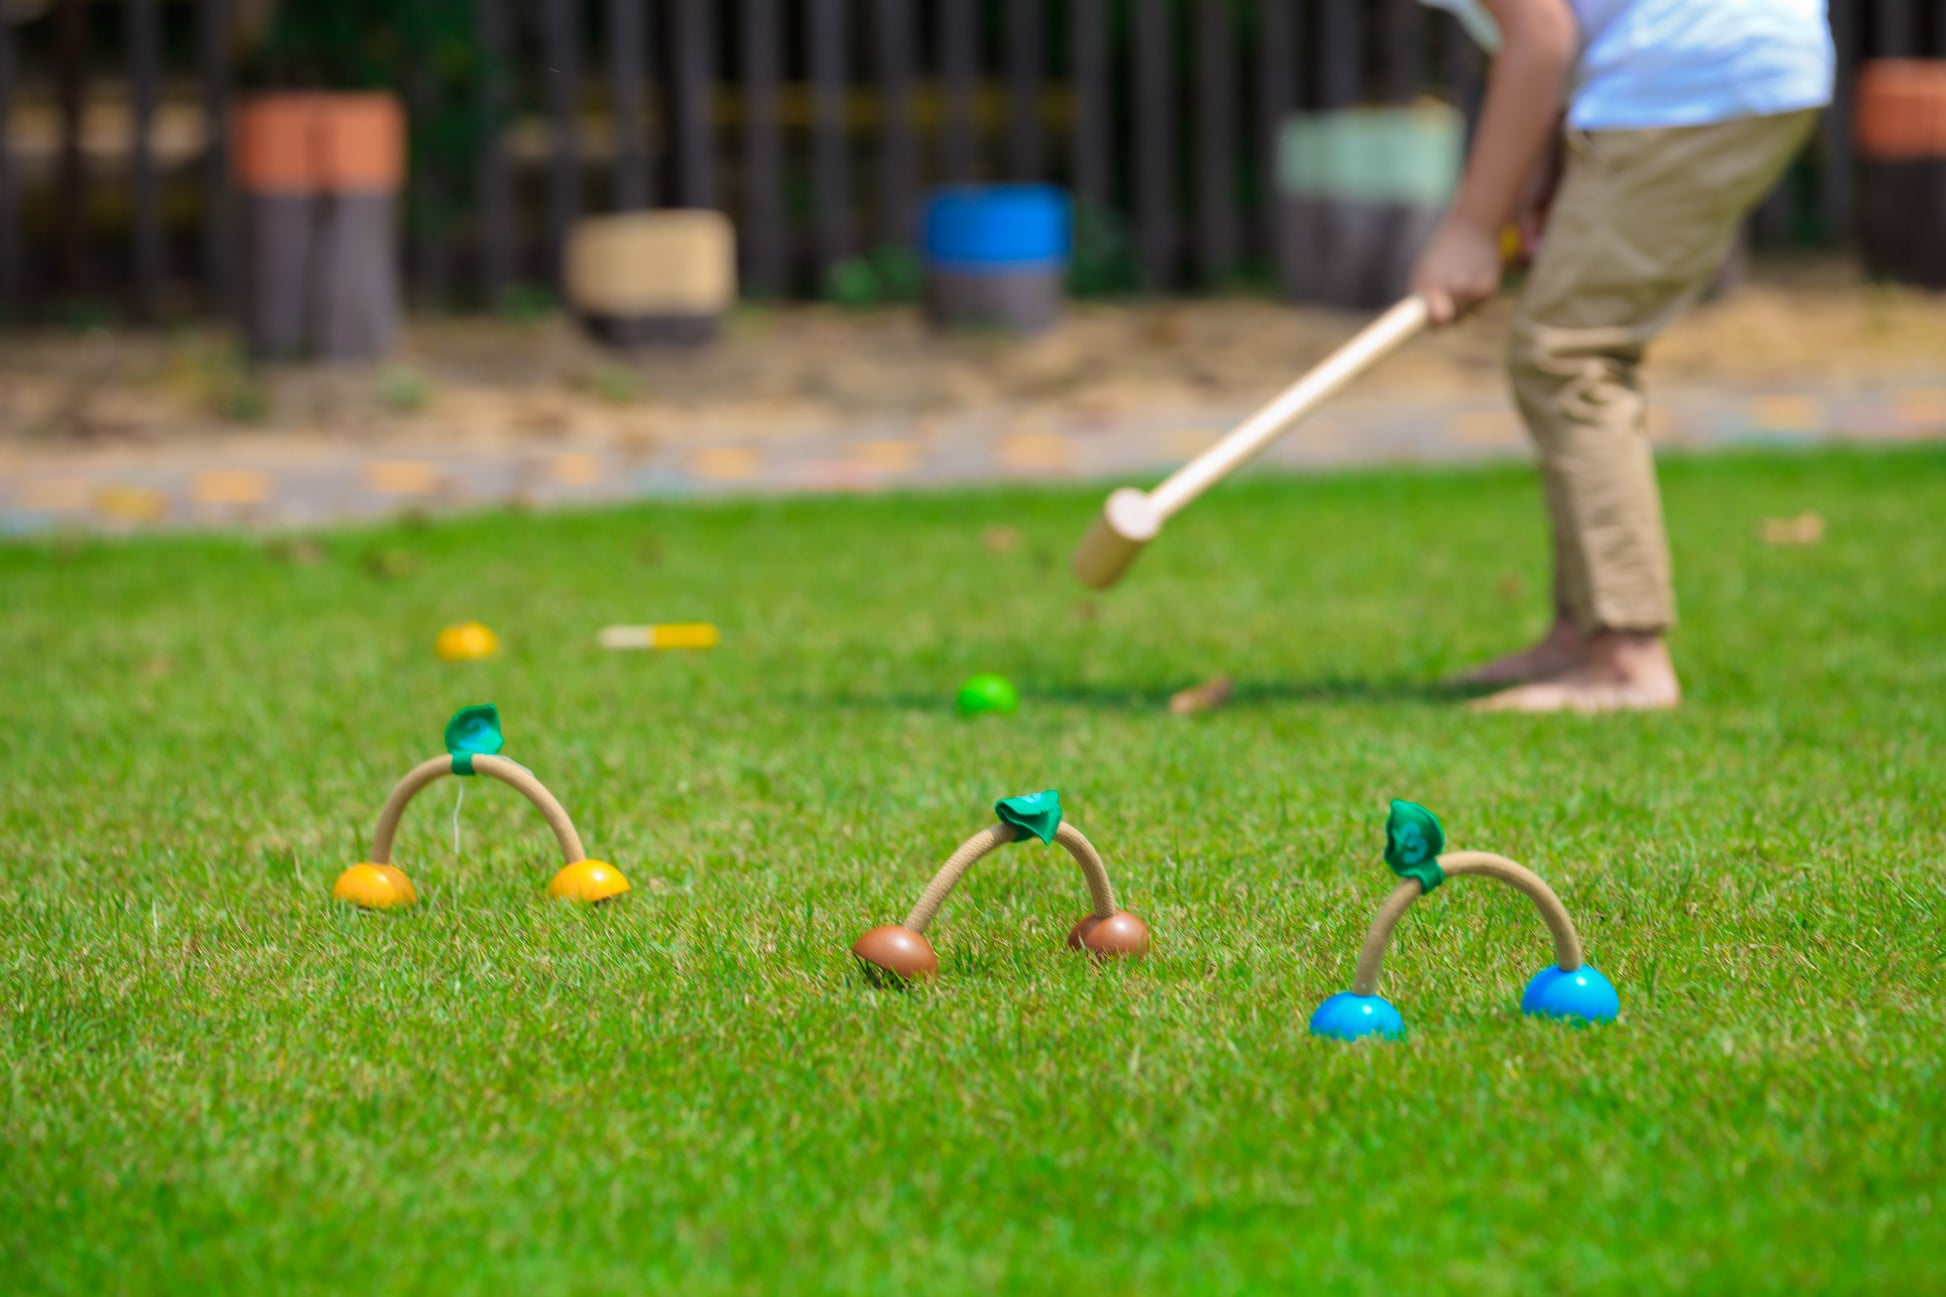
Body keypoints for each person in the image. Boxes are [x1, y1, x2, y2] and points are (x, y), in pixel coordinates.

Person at [1413, 0, 1834, 712]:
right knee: (1573, 346)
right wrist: (1532, 177)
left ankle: (1625, 658)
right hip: (1729, 58)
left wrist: (1473, 226)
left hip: (1693, 67)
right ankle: (1580, 634)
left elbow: (1541, 37)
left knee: (1569, 355)